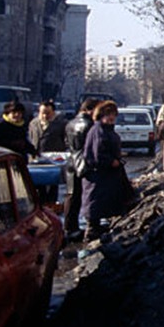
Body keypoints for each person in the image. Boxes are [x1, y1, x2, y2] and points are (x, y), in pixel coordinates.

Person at [81, 101, 130, 240]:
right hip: (99, 176)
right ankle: (91, 234)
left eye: (113, 115)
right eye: (108, 114)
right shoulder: (99, 130)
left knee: (99, 205)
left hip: (104, 176)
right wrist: (111, 161)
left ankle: (97, 231)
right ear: (100, 115)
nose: (111, 118)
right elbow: (97, 153)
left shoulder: (105, 129)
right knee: (95, 206)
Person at [62, 98, 100, 242]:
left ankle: (69, 227)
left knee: (71, 195)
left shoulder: (70, 123)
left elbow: (66, 142)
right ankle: (89, 226)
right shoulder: (90, 125)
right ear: (90, 110)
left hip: (72, 162)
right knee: (89, 194)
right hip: (85, 163)